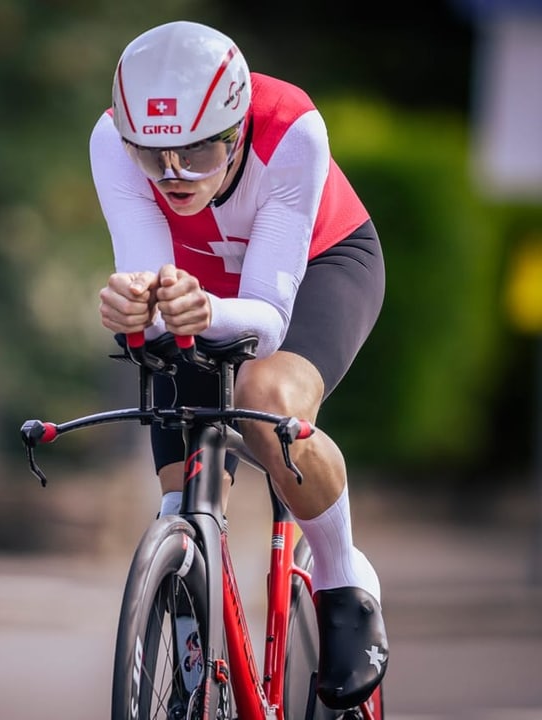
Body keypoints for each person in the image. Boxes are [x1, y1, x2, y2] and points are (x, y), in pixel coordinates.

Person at [91, 21, 387, 710]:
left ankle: (346, 576)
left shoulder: (292, 130)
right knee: (179, 480)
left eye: (196, 153)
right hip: (196, 288)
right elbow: (148, 284)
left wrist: (194, 310)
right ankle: (192, 632)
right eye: (153, 155)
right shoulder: (111, 140)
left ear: (237, 128)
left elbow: (265, 317)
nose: (172, 177)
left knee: (264, 395)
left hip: (314, 268)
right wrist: (133, 307)